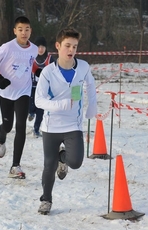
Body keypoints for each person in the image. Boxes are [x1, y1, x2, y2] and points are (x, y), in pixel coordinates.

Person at [34, 28, 97, 215]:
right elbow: (39, 100)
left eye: (75, 47)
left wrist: (92, 106)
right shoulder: (48, 72)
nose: (71, 50)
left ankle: (64, 158)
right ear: (58, 46)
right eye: (67, 46)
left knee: (76, 162)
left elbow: (91, 85)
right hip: (51, 126)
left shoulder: (83, 67)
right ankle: (46, 200)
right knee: (49, 165)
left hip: (73, 125)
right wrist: (60, 105)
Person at [0, 16, 38, 179]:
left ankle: (15, 166)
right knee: (8, 126)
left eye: (27, 29)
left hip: (23, 92)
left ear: (31, 31)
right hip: (6, 92)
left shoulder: (34, 49)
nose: (24, 32)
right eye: (20, 29)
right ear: (15, 31)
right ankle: (1, 138)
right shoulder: (7, 47)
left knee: (21, 126)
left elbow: (31, 63)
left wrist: (38, 71)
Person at [28, 36, 55, 138]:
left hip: (43, 88)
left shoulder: (49, 59)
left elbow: (55, 71)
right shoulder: (30, 57)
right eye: (38, 47)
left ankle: (36, 129)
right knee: (29, 104)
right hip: (30, 87)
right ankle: (30, 112)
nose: (40, 49)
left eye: (43, 47)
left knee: (41, 110)